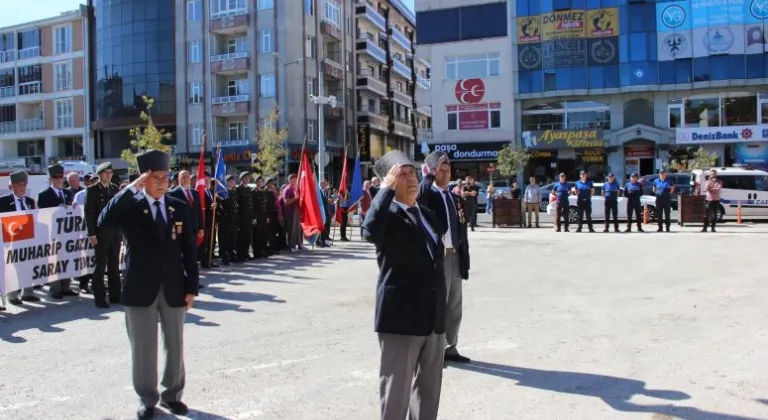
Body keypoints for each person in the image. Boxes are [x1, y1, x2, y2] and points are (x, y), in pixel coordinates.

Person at [98, 149, 199, 420]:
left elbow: (189, 250)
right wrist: (131, 188)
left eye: (166, 177)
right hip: (140, 286)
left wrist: (192, 287)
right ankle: (147, 397)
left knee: (175, 345)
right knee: (143, 348)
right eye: (157, 178)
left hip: (174, 286)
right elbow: (104, 220)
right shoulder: (131, 207)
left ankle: (173, 395)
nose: (164, 183)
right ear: (144, 179)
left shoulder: (177, 206)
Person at [361, 150, 447, 420]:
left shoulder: (427, 215)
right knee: (396, 396)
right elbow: (369, 230)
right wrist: (384, 190)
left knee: (428, 394)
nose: (411, 178)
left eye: (412, 172)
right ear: (390, 180)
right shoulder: (387, 217)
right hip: (401, 320)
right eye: (403, 174)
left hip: (433, 319)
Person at [418, 151, 471, 365]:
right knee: (437, 305)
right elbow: (419, 198)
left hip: (455, 257)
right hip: (438, 259)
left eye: (449, 170)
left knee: (455, 305)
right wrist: (429, 177)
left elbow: (462, 230)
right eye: (442, 170)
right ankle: (433, 351)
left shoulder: (455, 198)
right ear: (432, 171)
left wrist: (465, 257)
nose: (447, 174)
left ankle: (451, 346)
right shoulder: (428, 196)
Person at [84, 162, 123, 307]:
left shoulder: (114, 188)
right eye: (106, 173)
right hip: (100, 232)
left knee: (114, 264)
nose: (109, 175)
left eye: (110, 173)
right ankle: (99, 298)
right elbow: (89, 213)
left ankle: (115, 295)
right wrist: (92, 234)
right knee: (101, 265)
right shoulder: (92, 190)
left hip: (115, 232)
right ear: (100, 174)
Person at [38, 163, 79, 299]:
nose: (59, 180)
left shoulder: (67, 193)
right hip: (53, 234)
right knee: (55, 262)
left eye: (61, 177)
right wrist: (56, 208)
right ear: (51, 179)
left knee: (67, 259)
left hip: (67, 234)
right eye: (56, 178)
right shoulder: (44, 195)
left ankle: (66, 287)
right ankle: (55, 289)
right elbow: (42, 215)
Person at [1, 171, 40, 307]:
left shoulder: (30, 201)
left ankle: (28, 292)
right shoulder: (3, 201)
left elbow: (37, 218)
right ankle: (12, 295)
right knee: (12, 268)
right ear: (11, 187)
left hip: (28, 240)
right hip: (10, 241)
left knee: (28, 265)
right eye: (18, 184)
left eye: (24, 184)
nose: (22, 186)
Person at [217, 175, 238, 265]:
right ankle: (224, 257)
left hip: (232, 218)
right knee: (224, 239)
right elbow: (220, 206)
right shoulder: (222, 192)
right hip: (224, 219)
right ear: (227, 182)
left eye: (233, 181)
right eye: (231, 181)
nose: (233, 183)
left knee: (231, 238)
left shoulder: (233, 192)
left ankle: (231, 255)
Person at [234, 172, 253, 261]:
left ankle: (246, 253)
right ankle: (240, 254)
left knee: (248, 236)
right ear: (241, 179)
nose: (247, 180)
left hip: (248, 216)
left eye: (248, 178)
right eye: (245, 178)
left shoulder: (249, 189)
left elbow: (250, 204)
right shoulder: (238, 189)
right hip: (241, 216)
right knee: (241, 236)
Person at [282, 174, 303, 250]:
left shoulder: (297, 189)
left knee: (298, 229)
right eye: (293, 179)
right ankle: (291, 245)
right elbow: (286, 201)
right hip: (290, 212)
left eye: (296, 179)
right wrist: (295, 198)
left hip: (297, 211)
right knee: (291, 229)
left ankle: (299, 243)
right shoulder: (287, 189)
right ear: (289, 180)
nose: (295, 180)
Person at [251, 176, 270, 258]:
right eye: (258, 181)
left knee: (264, 234)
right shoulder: (253, 192)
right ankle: (256, 252)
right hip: (257, 217)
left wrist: (267, 216)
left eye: (261, 181)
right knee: (257, 235)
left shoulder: (264, 192)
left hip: (263, 216)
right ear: (256, 183)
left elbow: (265, 206)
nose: (260, 183)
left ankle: (263, 250)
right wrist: (254, 217)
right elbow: (252, 206)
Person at [318, 179, 333, 247]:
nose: (326, 185)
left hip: (326, 212)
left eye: (326, 184)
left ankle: (323, 241)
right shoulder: (319, 191)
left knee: (326, 227)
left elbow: (327, 201)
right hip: (321, 212)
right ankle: (320, 241)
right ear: (321, 184)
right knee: (321, 228)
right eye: (325, 184)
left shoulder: (326, 191)